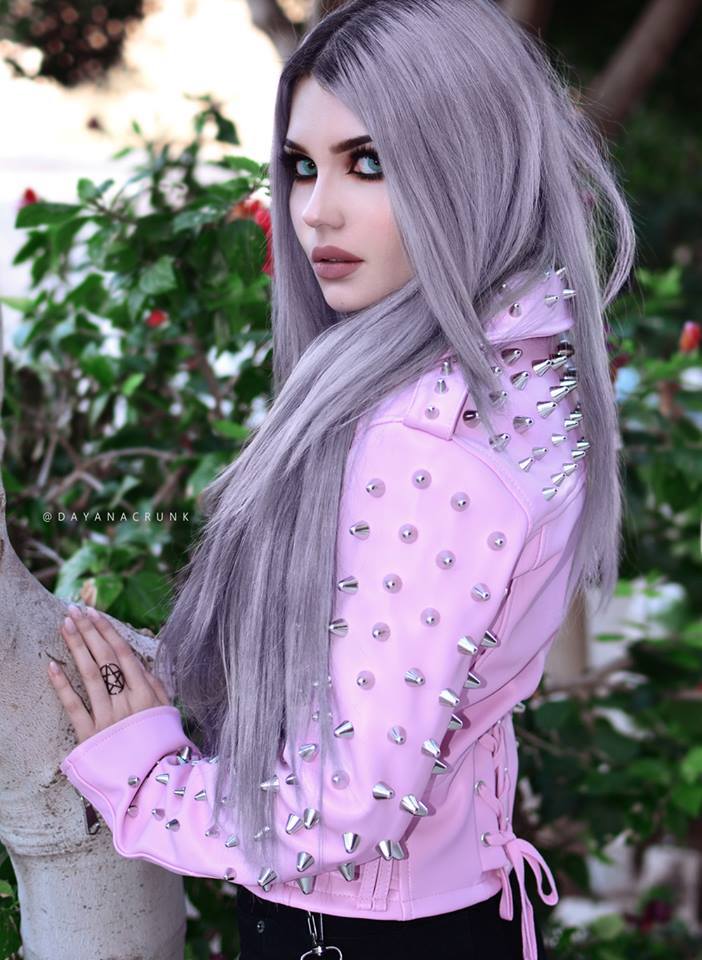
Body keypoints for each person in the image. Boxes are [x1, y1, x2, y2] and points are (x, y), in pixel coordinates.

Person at [47, 1, 635, 958]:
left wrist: (148, 782)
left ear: (470, 167)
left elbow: (349, 806)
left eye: (369, 162)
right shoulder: (520, 375)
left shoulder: (427, 442)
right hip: (450, 915)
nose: (316, 210)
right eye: (301, 166)